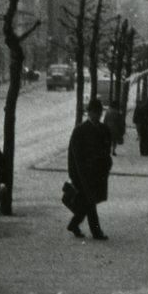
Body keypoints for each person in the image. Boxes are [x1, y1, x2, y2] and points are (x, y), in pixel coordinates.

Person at [66, 97, 113, 240]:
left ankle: (74, 224)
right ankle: (96, 232)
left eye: (99, 112)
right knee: (90, 202)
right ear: (89, 113)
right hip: (84, 174)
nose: (97, 115)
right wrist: (74, 175)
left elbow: (107, 151)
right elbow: (73, 155)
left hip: (98, 174)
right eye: (94, 112)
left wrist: (106, 167)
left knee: (88, 203)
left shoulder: (104, 130)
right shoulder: (80, 131)